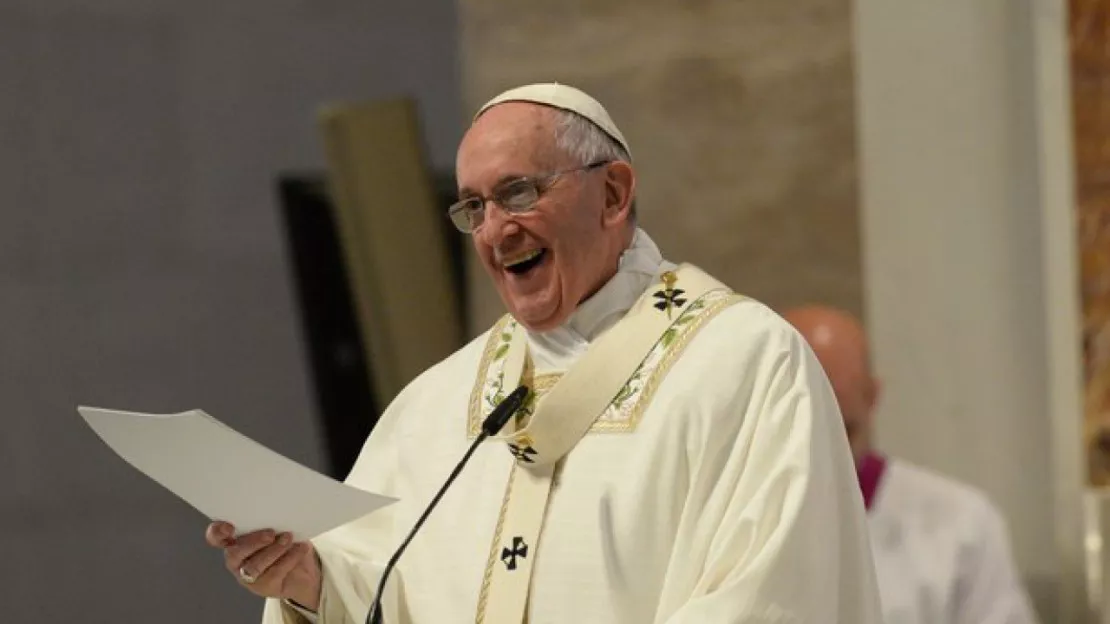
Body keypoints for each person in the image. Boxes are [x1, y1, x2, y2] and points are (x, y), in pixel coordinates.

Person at [205, 83, 883, 623]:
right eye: (473, 207)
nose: (496, 230)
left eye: (518, 192)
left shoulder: (744, 364)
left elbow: (775, 598)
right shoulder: (435, 406)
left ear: (613, 193)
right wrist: (312, 586)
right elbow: (384, 586)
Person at [782, 305, 1040, 624]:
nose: (823, 452)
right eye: (805, 431)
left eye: (844, 430)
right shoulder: (729, 519)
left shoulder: (963, 524)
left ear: (872, 397)